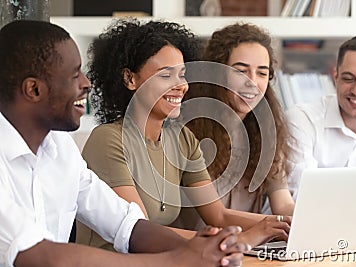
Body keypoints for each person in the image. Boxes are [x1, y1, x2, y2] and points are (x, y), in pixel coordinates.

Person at [0, 19, 248, 267]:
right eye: (74, 74)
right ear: (33, 90)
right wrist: (177, 259)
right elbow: (39, 256)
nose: (86, 84)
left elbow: (126, 224)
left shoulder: (60, 148)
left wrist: (202, 248)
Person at [76, 19, 291, 250]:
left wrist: (279, 224)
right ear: (131, 79)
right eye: (166, 75)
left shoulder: (182, 139)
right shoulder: (108, 140)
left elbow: (217, 215)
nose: (180, 85)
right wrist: (237, 240)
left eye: (182, 74)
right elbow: (140, 230)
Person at [175, 23, 294, 231]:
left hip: (249, 250)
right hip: (195, 251)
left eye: (262, 73)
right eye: (241, 71)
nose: (253, 82)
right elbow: (216, 217)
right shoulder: (186, 131)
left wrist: (313, 220)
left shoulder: (266, 133)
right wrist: (276, 224)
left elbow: (283, 204)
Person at [286, 34, 356, 229]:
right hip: (300, 234)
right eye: (348, 78)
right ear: (336, 76)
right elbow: (303, 196)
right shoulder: (301, 119)